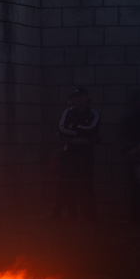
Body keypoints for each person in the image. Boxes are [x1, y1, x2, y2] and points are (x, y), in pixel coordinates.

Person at [54, 87, 100, 219]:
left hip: (85, 156)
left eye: (80, 96)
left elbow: (93, 129)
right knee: (65, 184)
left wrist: (73, 130)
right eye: (76, 97)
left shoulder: (93, 113)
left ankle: (89, 215)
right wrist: (80, 135)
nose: (77, 99)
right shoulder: (68, 112)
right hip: (69, 156)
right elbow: (61, 129)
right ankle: (62, 213)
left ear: (86, 97)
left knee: (85, 186)